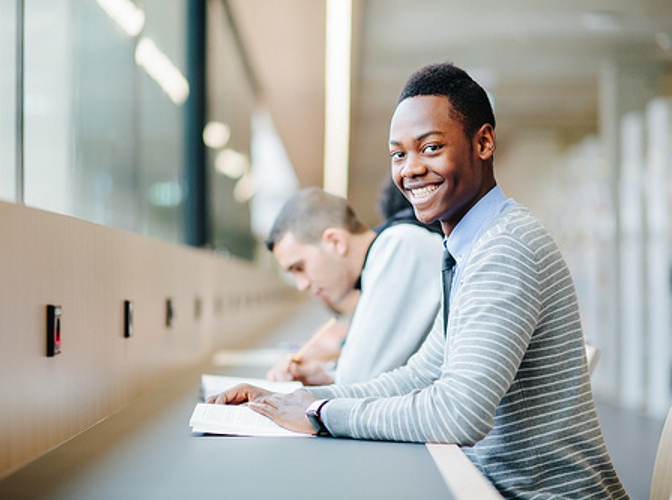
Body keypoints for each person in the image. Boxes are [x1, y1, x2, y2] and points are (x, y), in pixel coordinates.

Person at [209, 63, 629, 498]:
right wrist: (301, 401)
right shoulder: (466, 251)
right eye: (398, 154)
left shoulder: (505, 248)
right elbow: (420, 374)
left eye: (430, 148)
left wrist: (321, 411)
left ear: (483, 142)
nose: (410, 169)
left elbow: (457, 414)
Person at [263, 187, 442, 385]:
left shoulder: (400, 246)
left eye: (300, 267)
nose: (301, 285)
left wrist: (337, 379)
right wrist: (324, 378)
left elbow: (356, 379)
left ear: (335, 241)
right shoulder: (379, 259)